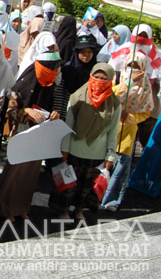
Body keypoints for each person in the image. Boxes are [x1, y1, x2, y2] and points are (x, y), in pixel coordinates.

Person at [0, 50, 62, 221]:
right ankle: (6, 208)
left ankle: (21, 207)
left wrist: (54, 114)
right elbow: (11, 111)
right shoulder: (23, 85)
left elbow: (52, 107)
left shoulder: (50, 85)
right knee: (15, 173)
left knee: (30, 175)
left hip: (39, 135)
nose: (56, 72)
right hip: (22, 133)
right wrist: (26, 110)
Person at [49, 63, 120, 220]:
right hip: (74, 149)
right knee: (68, 184)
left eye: (104, 79)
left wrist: (110, 155)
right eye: (96, 77)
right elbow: (69, 125)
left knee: (87, 187)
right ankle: (63, 210)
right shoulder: (77, 97)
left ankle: (79, 210)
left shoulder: (114, 103)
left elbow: (113, 131)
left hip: (96, 152)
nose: (99, 81)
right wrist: (64, 149)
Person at [102, 52, 153, 211]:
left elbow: (146, 111)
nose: (133, 70)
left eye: (137, 67)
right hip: (110, 127)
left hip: (128, 131)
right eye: (130, 66)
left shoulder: (145, 87)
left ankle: (112, 200)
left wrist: (131, 117)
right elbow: (111, 95)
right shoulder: (117, 79)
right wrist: (130, 82)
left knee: (122, 166)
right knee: (103, 162)